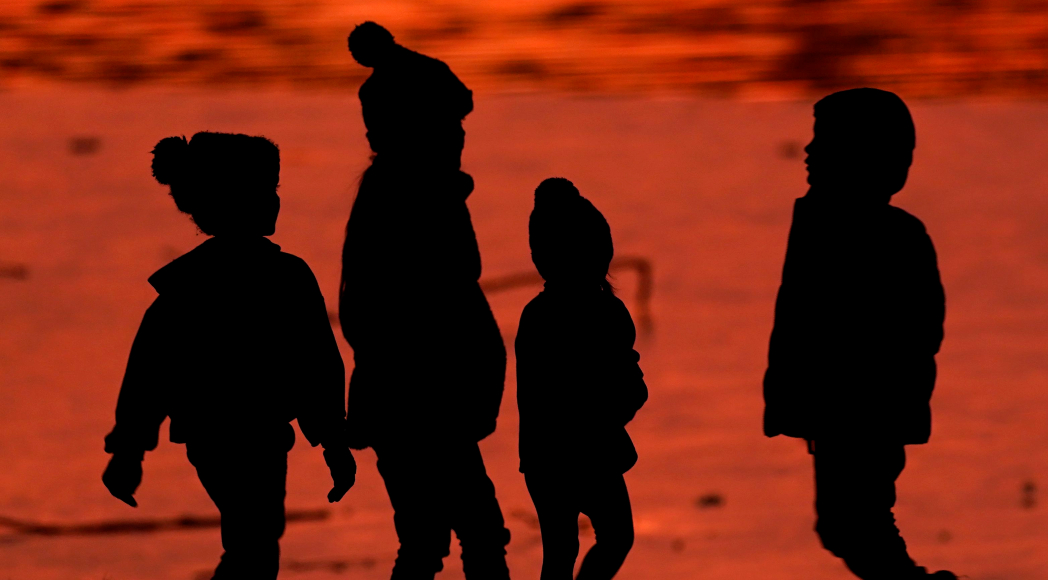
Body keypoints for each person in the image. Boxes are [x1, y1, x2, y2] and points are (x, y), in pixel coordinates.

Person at [100, 132, 356, 580]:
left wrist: (129, 449)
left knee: (253, 542)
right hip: (244, 436)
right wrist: (332, 440)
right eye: (265, 190)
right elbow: (316, 366)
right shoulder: (285, 279)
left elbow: (148, 375)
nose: (275, 201)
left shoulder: (189, 287)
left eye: (275, 188)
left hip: (227, 437)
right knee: (255, 544)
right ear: (234, 201)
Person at [339, 21, 511, 580]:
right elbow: (434, 307)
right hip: (425, 403)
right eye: (448, 126)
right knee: (471, 532)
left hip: (415, 404)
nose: (459, 137)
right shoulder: (417, 204)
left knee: (429, 536)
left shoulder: (404, 196)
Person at [763, 88, 956, 580]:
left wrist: (858, 397)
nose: (808, 151)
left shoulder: (890, 235)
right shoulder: (825, 223)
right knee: (848, 524)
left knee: (852, 523)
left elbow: (918, 328)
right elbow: (802, 321)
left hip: (865, 408)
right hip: (840, 409)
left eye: (824, 141)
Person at [516, 178, 648, 580]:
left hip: (548, 456)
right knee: (609, 538)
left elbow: (624, 376)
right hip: (581, 452)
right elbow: (625, 383)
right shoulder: (597, 312)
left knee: (566, 549)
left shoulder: (539, 314)